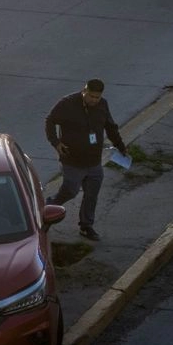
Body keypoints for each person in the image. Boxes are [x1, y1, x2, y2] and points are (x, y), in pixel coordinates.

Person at [44, 79, 127, 241]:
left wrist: (121, 146)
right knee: (71, 191)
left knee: (91, 194)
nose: (94, 100)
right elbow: (50, 120)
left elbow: (110, 127)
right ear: (84, 91)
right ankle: (47, 210)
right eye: (91, 96)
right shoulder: (67, 103)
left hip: (94, 160)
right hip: (72, 159)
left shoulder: (103, 105)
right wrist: (56, 142)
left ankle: (86, 225)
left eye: (97, 97)